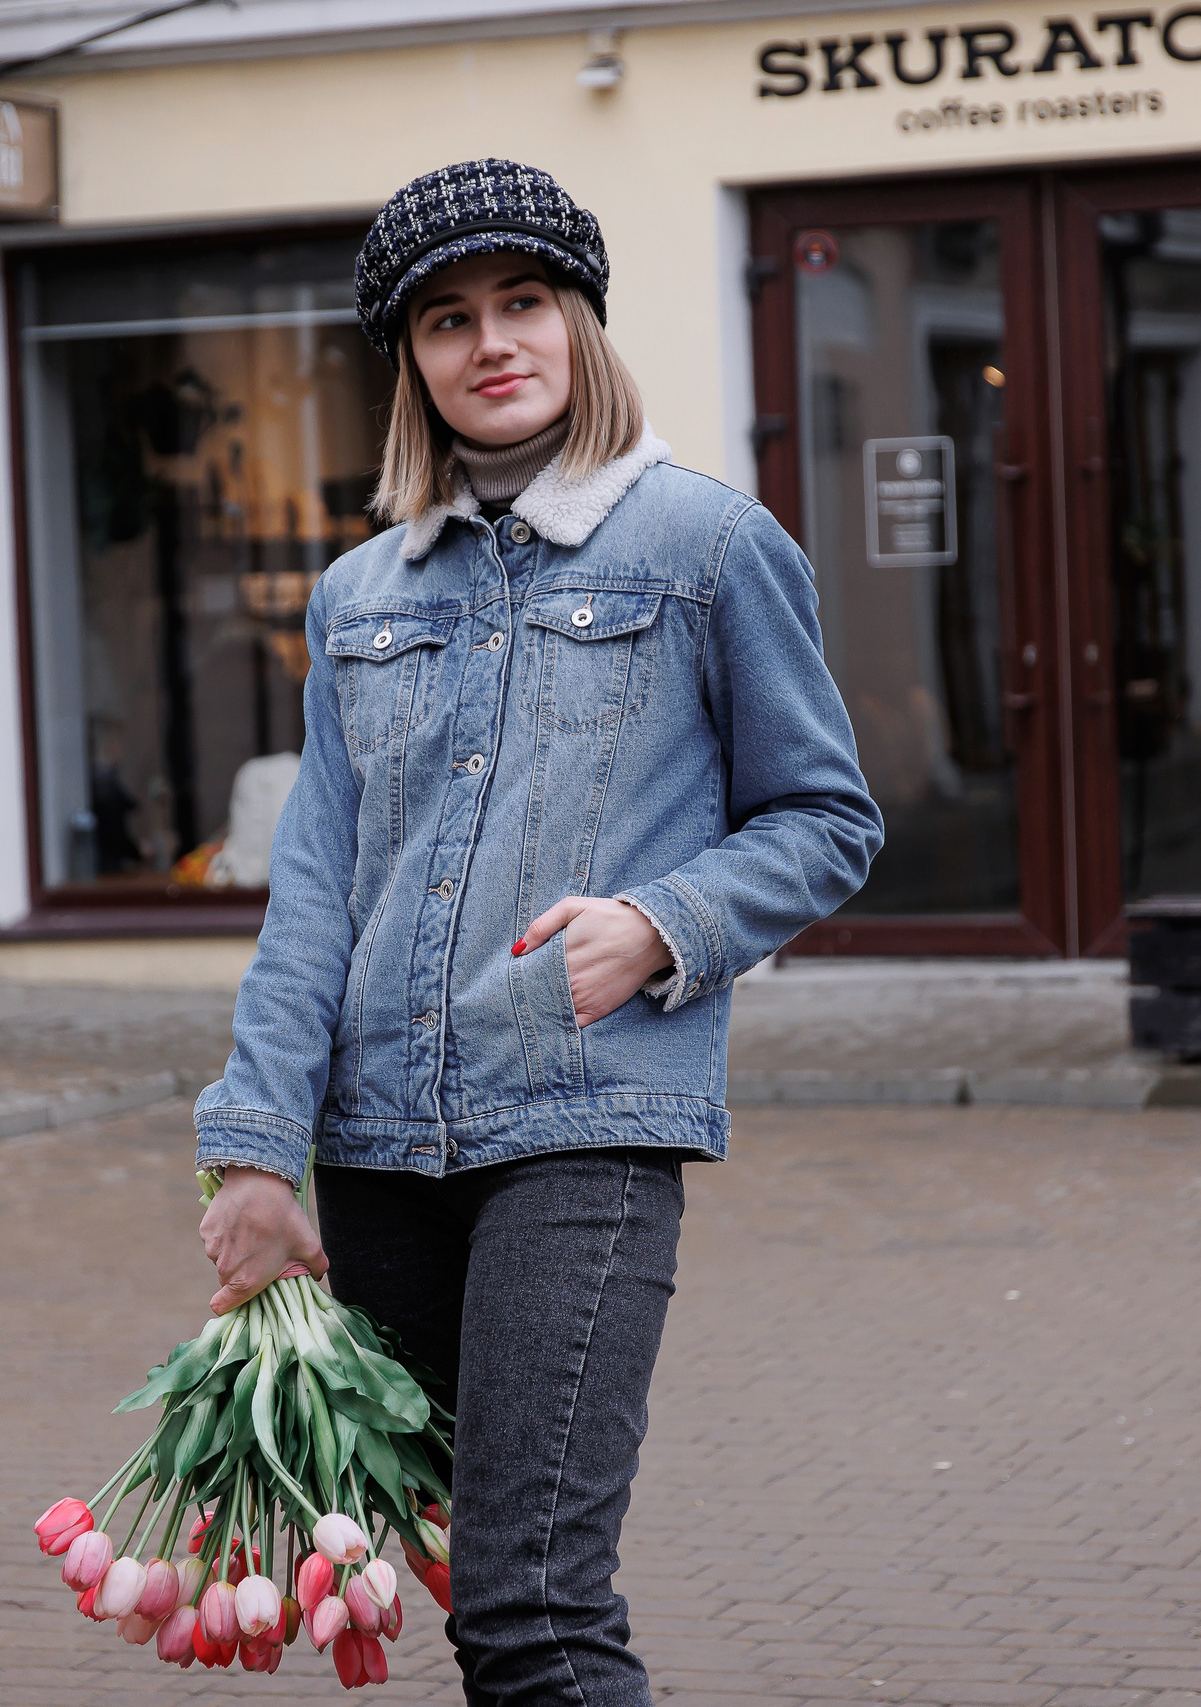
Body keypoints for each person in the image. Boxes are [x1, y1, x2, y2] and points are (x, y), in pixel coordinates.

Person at [193, 158, 881, 1706]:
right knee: (439, 1572)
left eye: (522, 302)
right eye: (447, 320)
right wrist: (252, 1150)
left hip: (585, 1127)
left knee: (535, 1608)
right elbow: (315, 893)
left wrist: (665, 921)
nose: (490, 342)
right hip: (378, 1153)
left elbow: (829, 820)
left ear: (579, 323)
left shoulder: (707, 548)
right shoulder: (363, 593)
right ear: (412, 365)